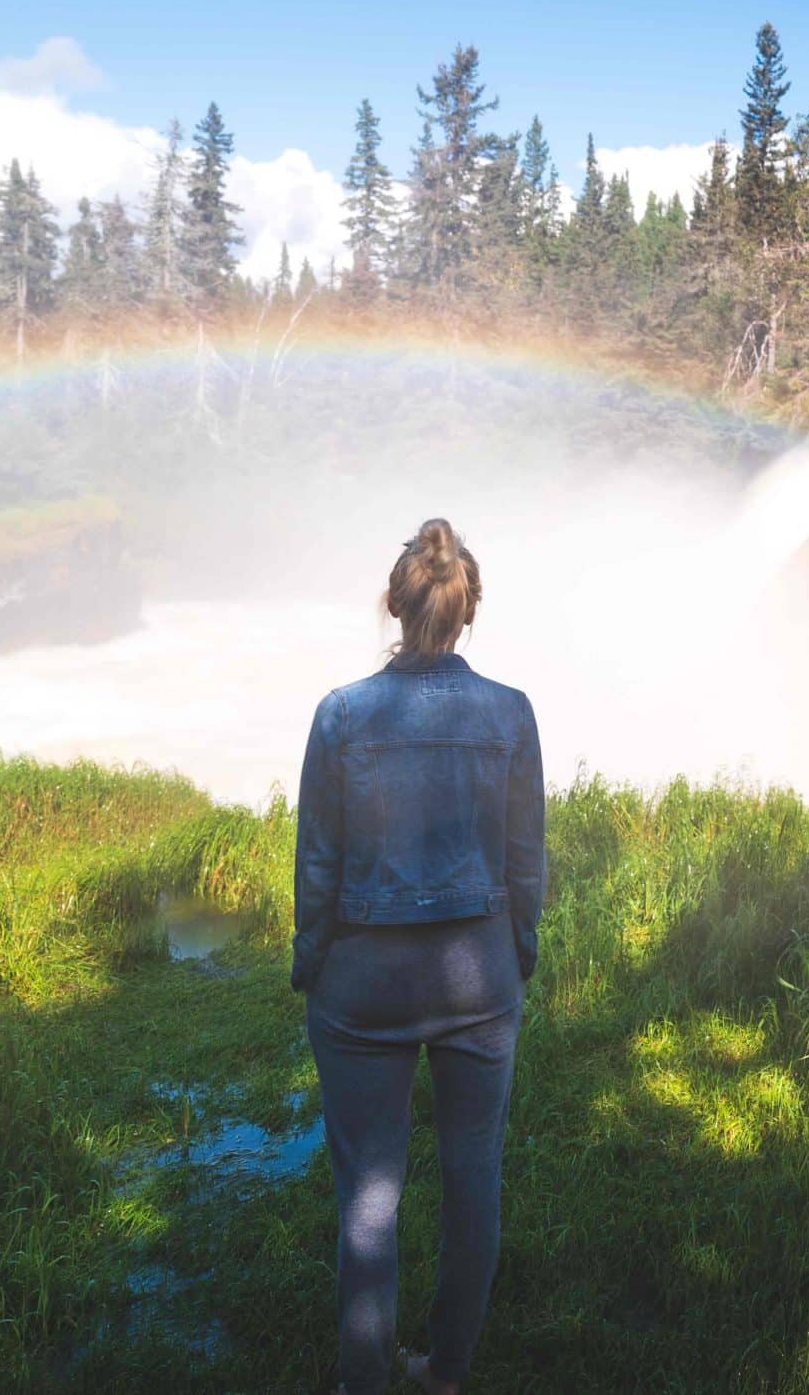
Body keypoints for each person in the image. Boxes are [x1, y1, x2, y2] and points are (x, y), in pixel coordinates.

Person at [294, 518, 545, 1395]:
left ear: (396, 606)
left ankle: (363, 1382)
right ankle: (446, 1371)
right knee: (474, 1175)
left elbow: (318, 862)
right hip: (480, 976)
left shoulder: (341, 715)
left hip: (363, 984)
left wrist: (310, 962)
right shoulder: (511, 714)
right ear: (466, 612)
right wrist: (519, 954)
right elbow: (525, 859)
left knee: (370, 1194)